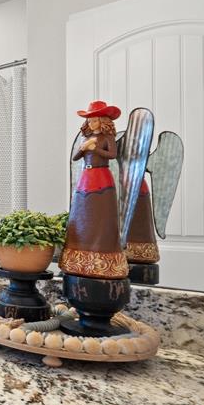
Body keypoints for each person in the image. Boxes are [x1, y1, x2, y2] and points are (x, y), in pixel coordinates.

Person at [60, 101, 129, 279]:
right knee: (82, 214)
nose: (91, 124)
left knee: (100, 214)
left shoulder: (107, 138)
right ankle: (78, 256)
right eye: (89, 121)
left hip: (101, 176)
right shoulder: (86, 138)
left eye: (94, 120)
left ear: (102, 121)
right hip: (86, 177)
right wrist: (83, 148)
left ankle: (103, 258)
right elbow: (76, 157)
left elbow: (112, 155)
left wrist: (95, 148)